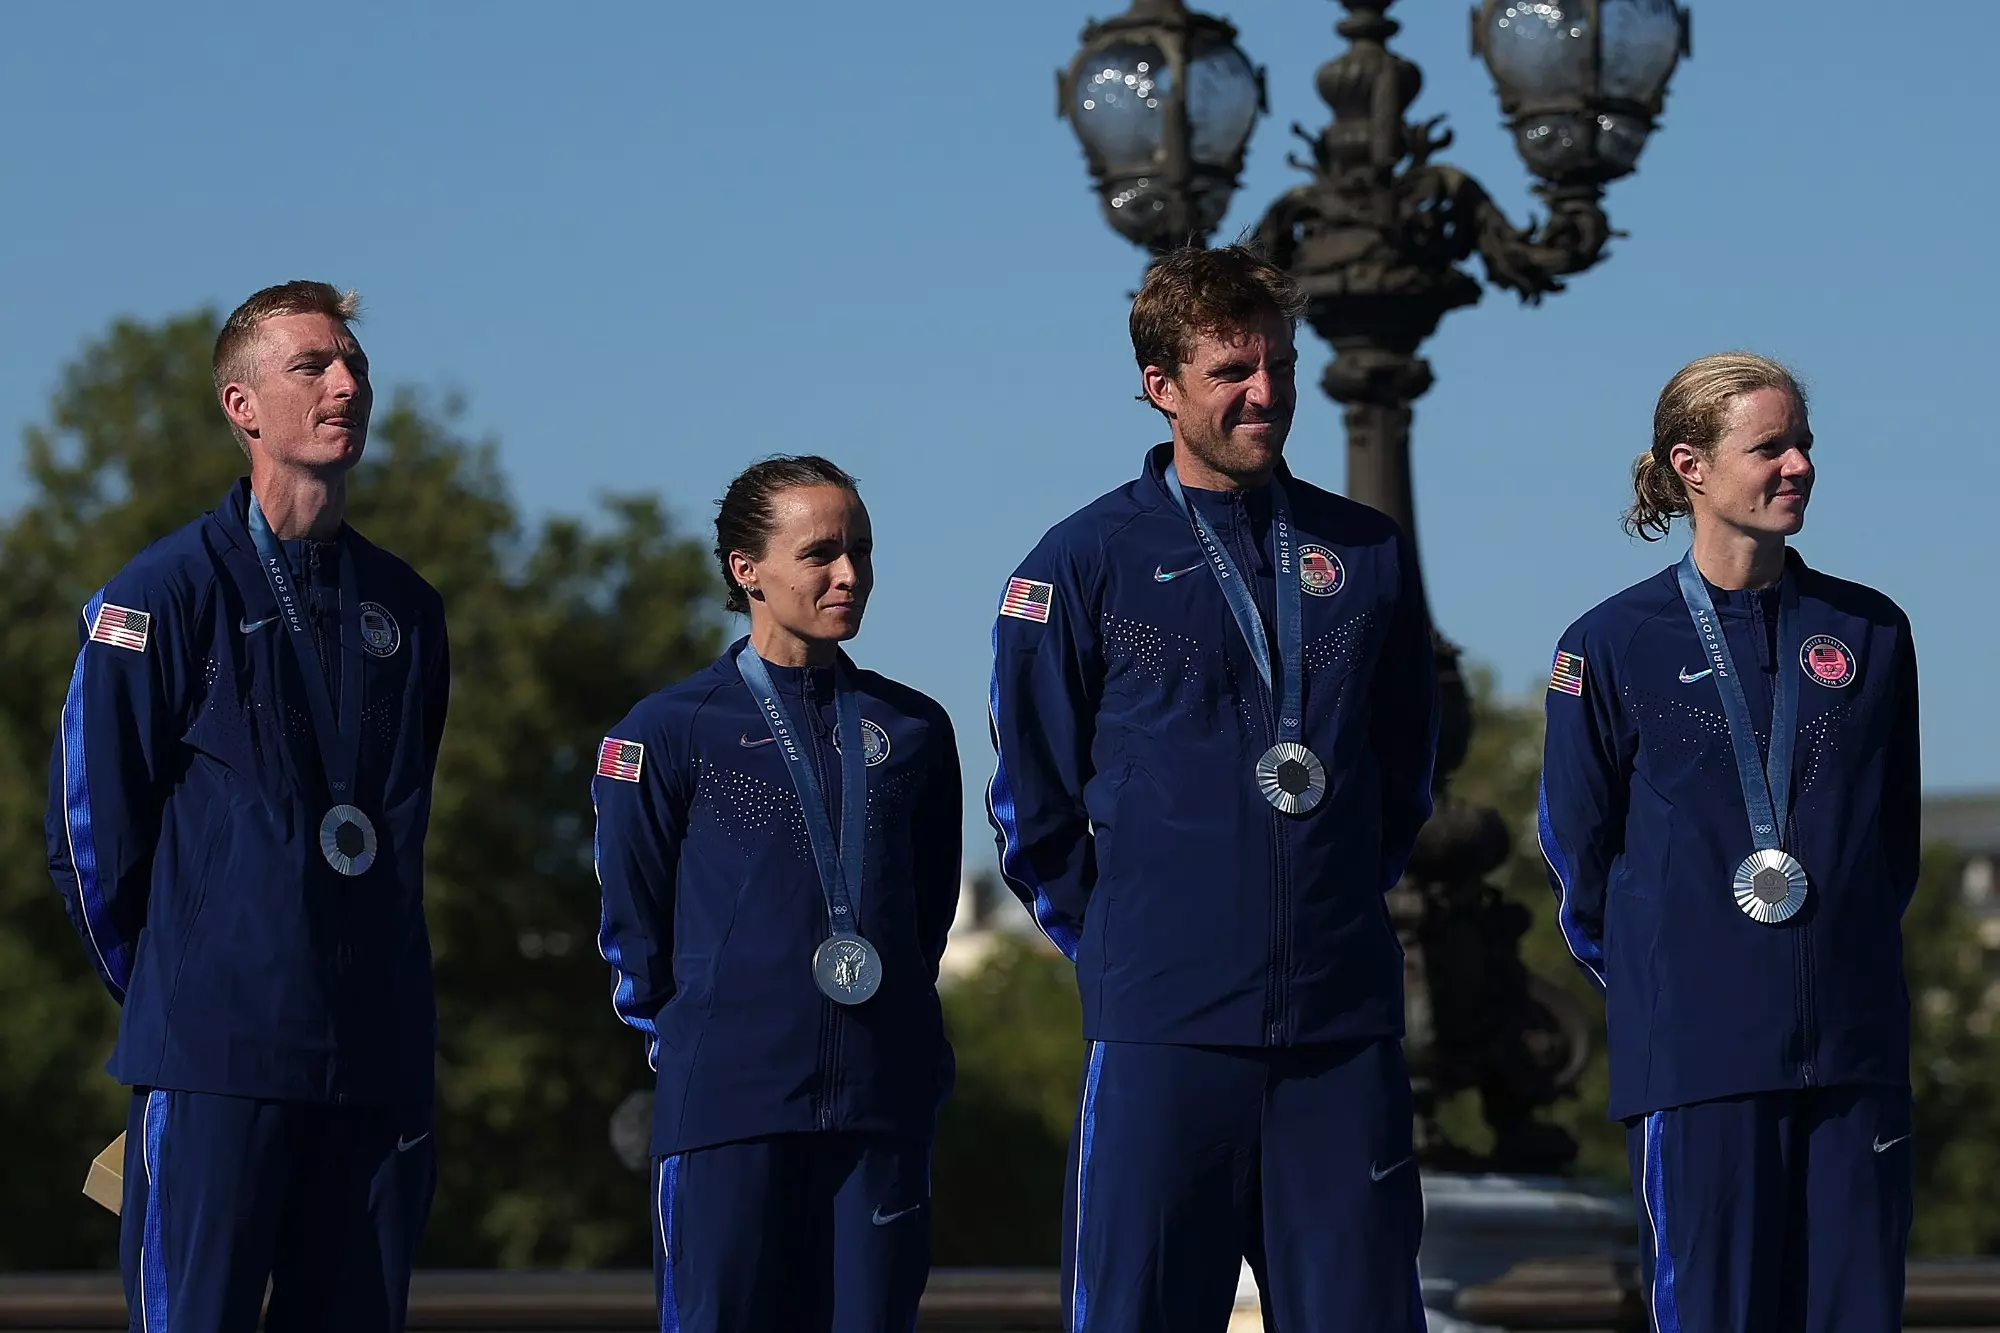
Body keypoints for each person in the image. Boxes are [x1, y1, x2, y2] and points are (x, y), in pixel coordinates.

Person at [987, 245, 1438, 1332]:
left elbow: (1403, 769)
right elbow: (1028, 801)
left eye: (1277, 364)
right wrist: (1128, 948)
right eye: (1232, 370)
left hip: (1335, 1028)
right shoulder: (1075, 563)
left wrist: (1326, 903)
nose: (1266, 394)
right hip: (1162, 1025)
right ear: (1161, 386)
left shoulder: (1364, 553)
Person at [46, 281, 450, 1331]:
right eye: (312, 365)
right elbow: (89, 840)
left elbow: (397, 833)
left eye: (353, 364)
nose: (347, 384)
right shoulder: (160, 594)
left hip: (376, 1062)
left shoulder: (405, 611)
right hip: (218, 1061)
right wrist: (187, 998)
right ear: (243, 405)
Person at [1539, 352, 1920, 1330]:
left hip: (1850, 1054)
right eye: (1768, 446)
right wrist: (1678, 984)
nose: (1796, 464)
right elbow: (1578, 861)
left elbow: (1890, 849)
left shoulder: (1869, 632)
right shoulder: (1607, 644)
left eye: (1802, 444)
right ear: (1690, 464)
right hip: (1696, 1061)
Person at [593, 456, 961, 1333]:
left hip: (879, 1107)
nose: (850, 575)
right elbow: (631, 931)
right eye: (821, 553)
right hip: (727, 1111)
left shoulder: (912, 729)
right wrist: (701, 1051)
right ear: (745, 568)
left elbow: (925, 918)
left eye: (862, 551)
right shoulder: (665, 731)